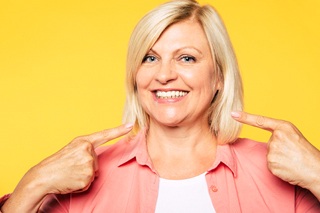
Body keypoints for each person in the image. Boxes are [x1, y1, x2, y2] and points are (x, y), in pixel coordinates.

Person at [1, 0, 320, 212]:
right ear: (134, 73)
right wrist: (37, 181)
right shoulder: (78, 176)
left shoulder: (282, 176)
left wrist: (317, 173)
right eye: (150, 57)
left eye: (186, 58)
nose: (164, 75)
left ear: (219, 76)